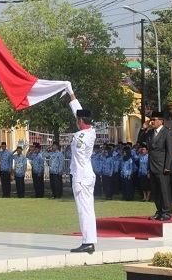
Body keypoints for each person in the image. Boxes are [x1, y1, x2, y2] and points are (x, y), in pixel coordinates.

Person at [66, 86, 97, 254]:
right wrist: (70, 93)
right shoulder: (90, 132)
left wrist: (76, 181)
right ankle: (89, 240)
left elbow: (77, 161)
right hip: (88, 175)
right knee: (88, 208)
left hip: (82, 176)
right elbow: (78, 112)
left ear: (80, 122)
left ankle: (88, 242)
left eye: (77, 120)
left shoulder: (80, 137)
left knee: (84, 210)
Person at [137, 111, 172, 221]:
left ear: (161, 121)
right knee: (155, 191)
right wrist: (143, 128)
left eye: (154, 119)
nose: (152, 122)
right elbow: (140, 141)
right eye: (151, 120)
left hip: (162, 166)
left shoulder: (167, 133)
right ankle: (159, 211)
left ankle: (167, 212)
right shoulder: (149, 133)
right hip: (152, 165)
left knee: (164, 190)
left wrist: (168, 166)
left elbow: (170, 151)